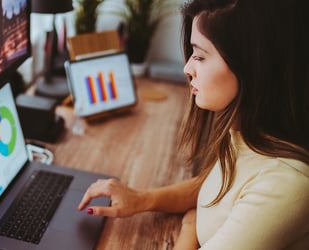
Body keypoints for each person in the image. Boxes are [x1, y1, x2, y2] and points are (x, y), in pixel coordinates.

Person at [77, 0, 309, 249]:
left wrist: (190, 229)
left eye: (199, 56)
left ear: (253, 67)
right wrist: (142, 199)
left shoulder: (285, 185)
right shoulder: (246, 134)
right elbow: (215, 185)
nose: (187, 68)